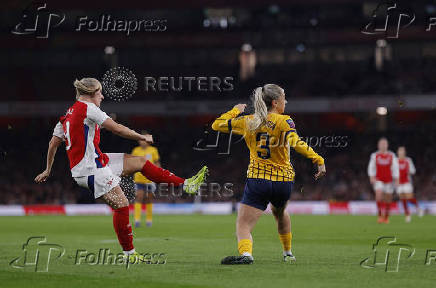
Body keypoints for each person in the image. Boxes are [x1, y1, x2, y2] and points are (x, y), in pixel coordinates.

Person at [35, 78, 208, 261]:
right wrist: (140, 137)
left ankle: (186, 184)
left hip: (96, 161)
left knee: (140, 162)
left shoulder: (67, 115)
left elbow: (53, 143)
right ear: (91, 94)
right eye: (100, 93)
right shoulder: (89, 109)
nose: (102, 96)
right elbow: (116, 129)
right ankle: (129, 254)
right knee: (122, 205)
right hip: (91, 169)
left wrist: (47, 169)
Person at [211, 84, 326, 265]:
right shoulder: (284, 121)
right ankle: (288, 253)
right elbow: (296, 143)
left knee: (243, 224)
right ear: (275, 102)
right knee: (280, 213)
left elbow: (216, 125)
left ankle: (247, 254)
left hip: (259, 179)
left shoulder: (249, 121)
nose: (285, 101)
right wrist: (318, 159)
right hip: (283, 182)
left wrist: (235, 110)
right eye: (283, 98)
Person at [131, 131, 160, 227]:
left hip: (150, 179)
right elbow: (132, 163)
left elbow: (157, 163)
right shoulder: (136, 150)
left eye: (143, 139)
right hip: (139, 179)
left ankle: (149, 220)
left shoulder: (153, 150)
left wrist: (157, 174)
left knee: (149, 199)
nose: (142, 141)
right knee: (139, 198)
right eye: (140, 139)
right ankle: (137, 220)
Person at [367, 138, 399, 224]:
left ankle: (386, 217)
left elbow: (395, 168)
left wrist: (396, 179)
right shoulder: (374, 155)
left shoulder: (392, 155)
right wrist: (371, 177)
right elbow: (371, 167)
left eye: (385, 144)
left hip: (389, 180)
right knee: (378, 194)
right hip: (379, 180)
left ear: (387, 145)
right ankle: (380, 215)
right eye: (381, 144)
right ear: (378, 145)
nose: (383, 145)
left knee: (388, 199)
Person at [396, 146, 423, 222]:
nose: (401, 153)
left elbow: (413, 171)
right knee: (403, 199)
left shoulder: (408, 160)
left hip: (407, 182)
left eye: (402, 151)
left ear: (404, 152)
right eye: (400, 151)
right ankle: (407, 215)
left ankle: (418, 208)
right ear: (398, 152)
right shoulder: (395, 161)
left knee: (409, 198)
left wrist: (409, 171)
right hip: (399, 183)